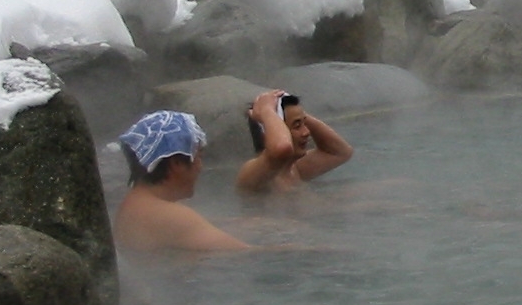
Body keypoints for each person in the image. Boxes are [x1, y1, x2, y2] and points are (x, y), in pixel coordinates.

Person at [113, 110, 251, 253]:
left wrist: (247, 224)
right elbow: (247, 253)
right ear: (176, 163)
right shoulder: (169, 216)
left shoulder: (137, 204)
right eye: (198, 157)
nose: (200, 167)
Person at [236, 89, 354, 195]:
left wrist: (295, 112)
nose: (307, 132)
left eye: (304, 123)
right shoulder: (254, 175)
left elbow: (340, 152)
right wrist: (267, 110)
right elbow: (281, 148)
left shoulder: (293, 169)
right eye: (297, 126)